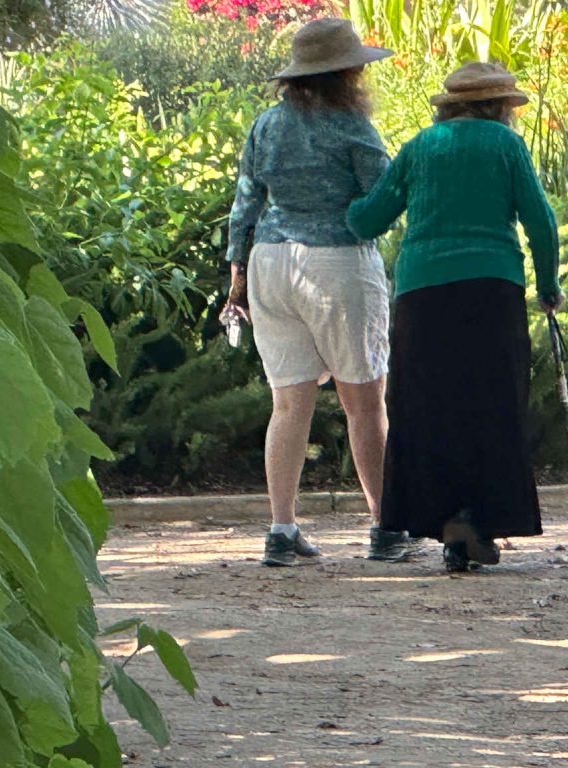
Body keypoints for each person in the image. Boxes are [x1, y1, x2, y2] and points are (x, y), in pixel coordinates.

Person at [346, 62, 563, 572]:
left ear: (449, 106)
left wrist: (340, 197)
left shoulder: (421, 146)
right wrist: (548, 285)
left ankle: (446, 524)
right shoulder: (506, 146)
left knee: (429, 408)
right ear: (501, 109)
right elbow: (540, 220)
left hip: (423, 295)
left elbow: (368, 218)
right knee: (492, 403)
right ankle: (480, 521)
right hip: (492, 289)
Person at [221, 18, 416, 567]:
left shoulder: (266, 125)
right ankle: (385, 526)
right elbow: (380, 200)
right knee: (363, 402)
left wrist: (236, 280)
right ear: (345, 74)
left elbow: (245, 205)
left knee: (287, 404)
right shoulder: (351, 125)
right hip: (335, 262)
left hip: (269, 263)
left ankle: (281, 530)